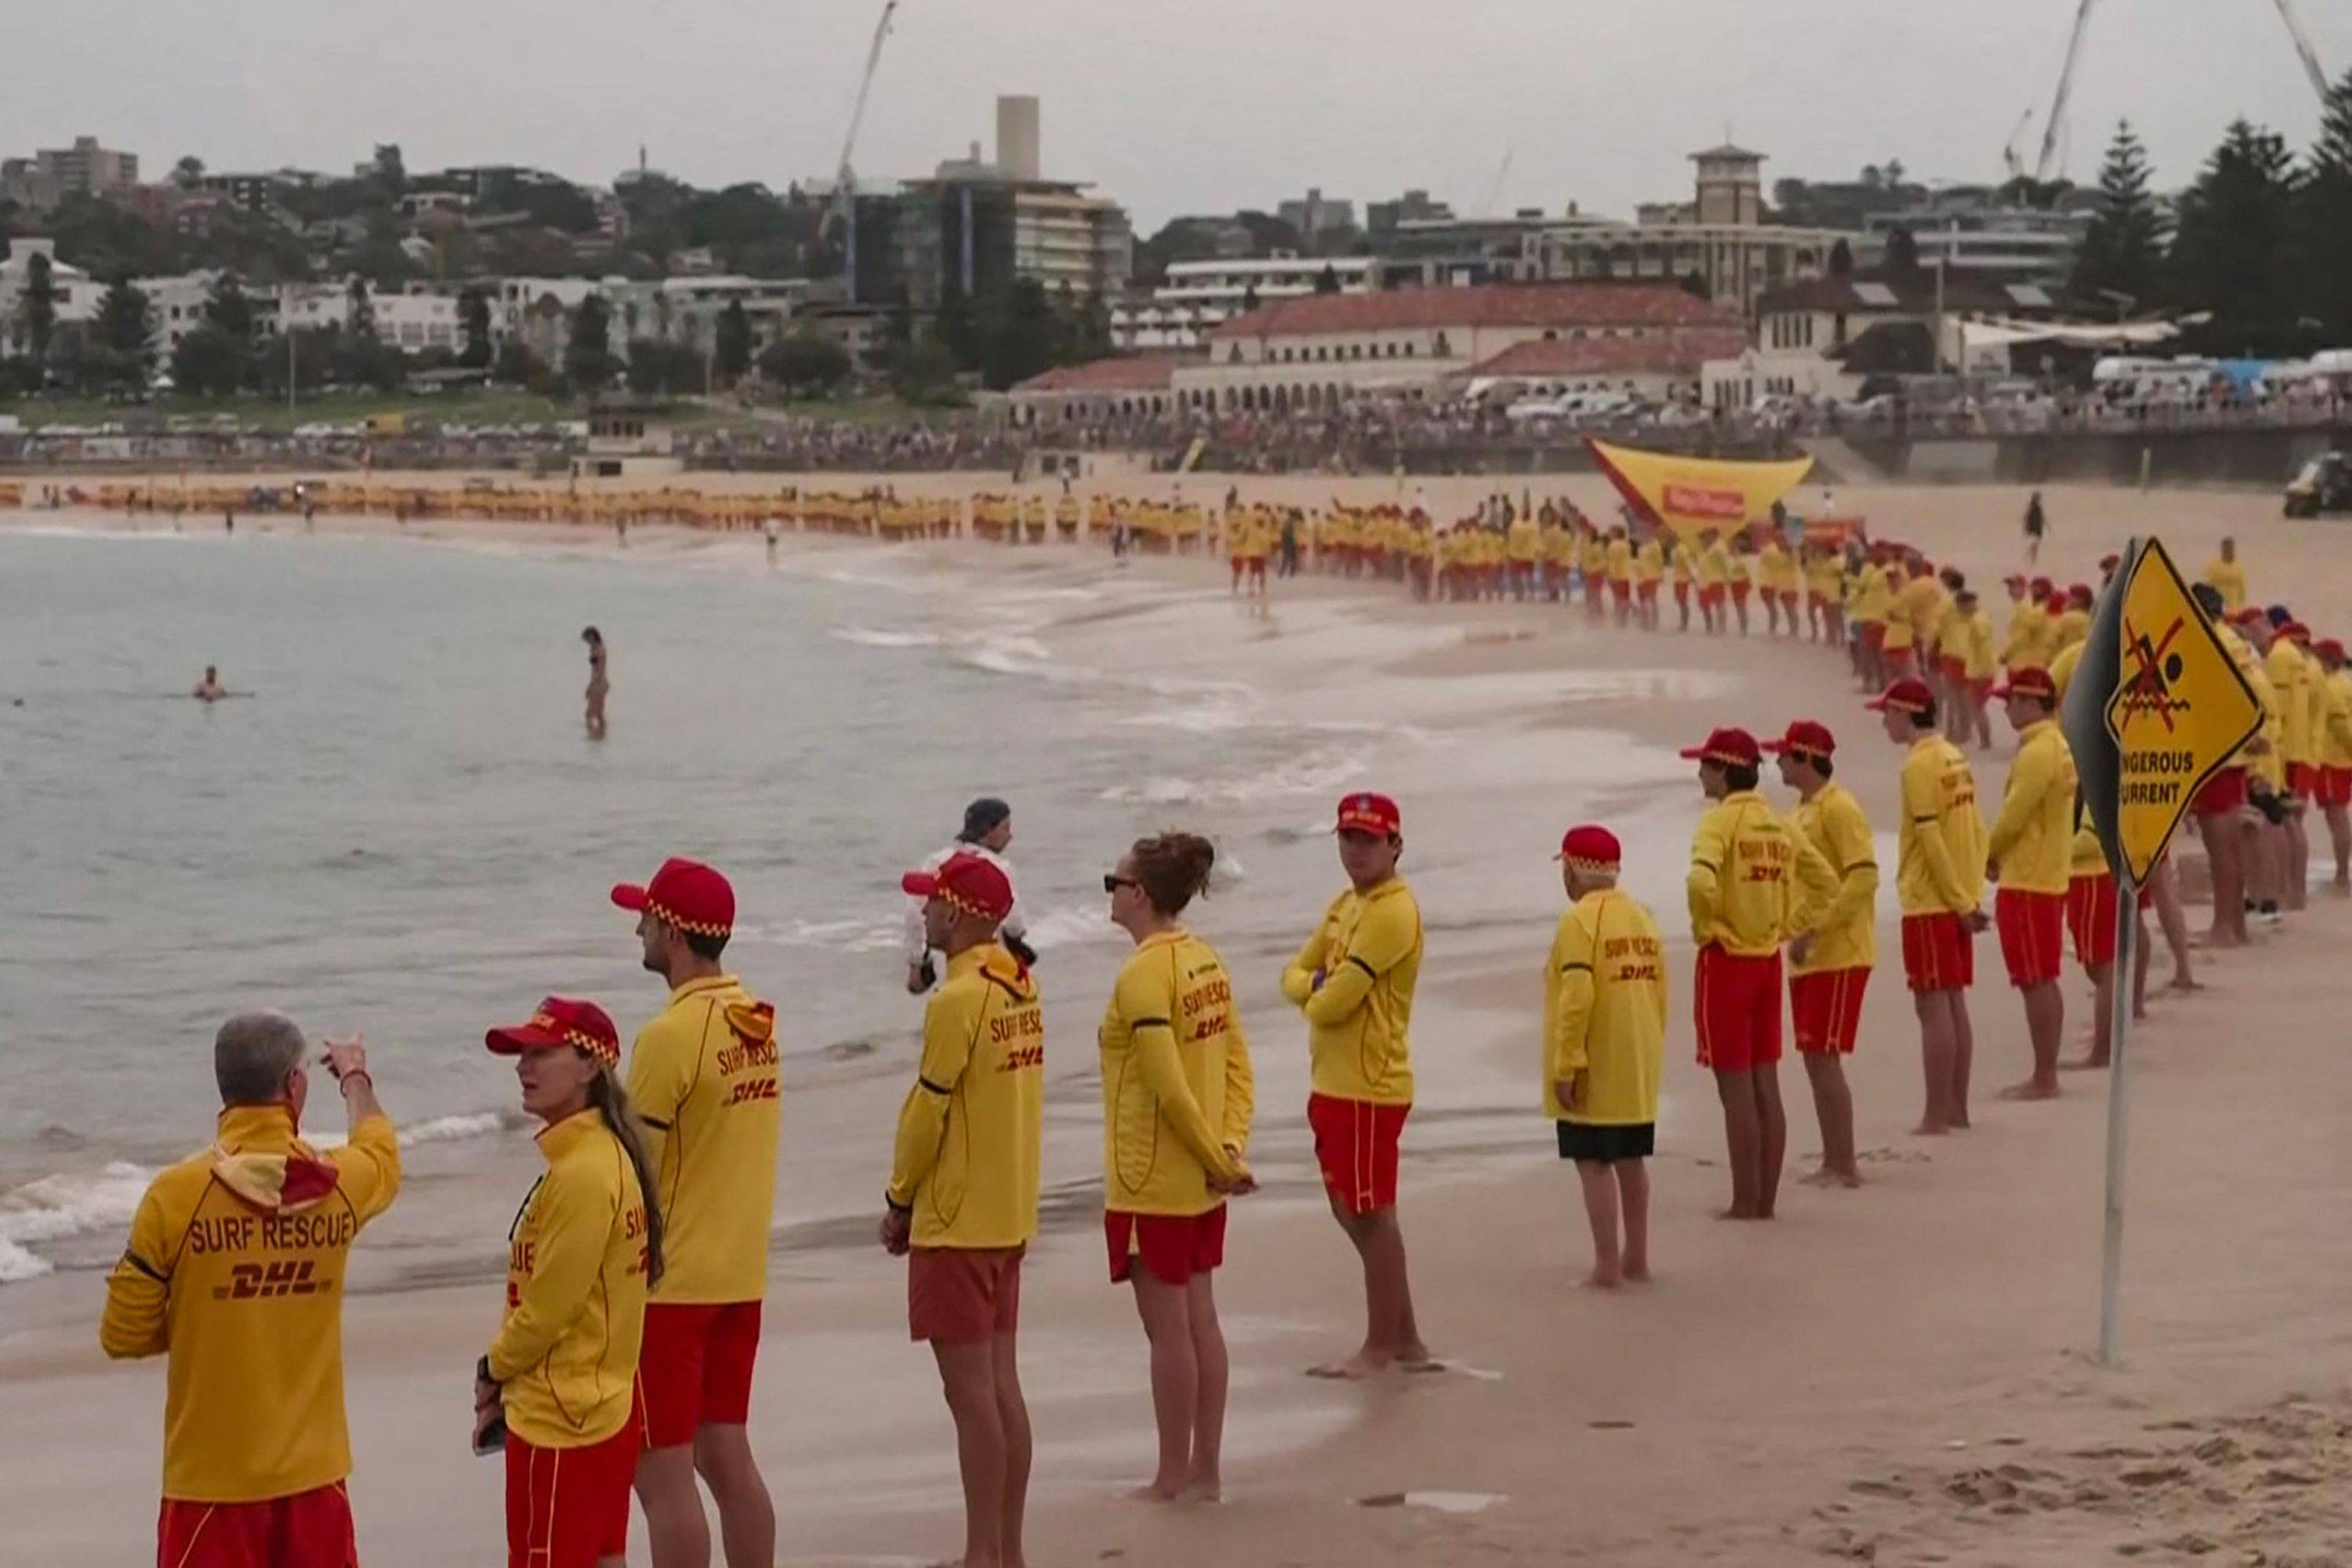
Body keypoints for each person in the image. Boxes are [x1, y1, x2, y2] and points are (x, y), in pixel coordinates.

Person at [101, 1013, 399, 1568]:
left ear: (224, 1086)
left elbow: (123, 1335)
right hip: (315, 1478)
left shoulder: (175, 1196)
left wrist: (211, 1313)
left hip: (212, 1485)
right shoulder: (338, 1186)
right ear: (294, 1084)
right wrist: (355, 1078)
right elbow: (382, 1154)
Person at [606, 858, 780, 1568]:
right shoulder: (755, 1021)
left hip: (672, 1289)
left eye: (646, 921)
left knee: (663, 1476)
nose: (639, 933)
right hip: (740, 1275)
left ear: (674, 935)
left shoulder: (670, 1035)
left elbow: (632, 1167)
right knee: (727, 1455)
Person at [883, 851, 1044, 1568]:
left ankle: (982, 1552)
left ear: (961, 913)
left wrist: (899, 1198)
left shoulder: (958, 1000)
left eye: (933, 902)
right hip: (1006, 1210)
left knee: (971, 1398)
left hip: (956, 1219)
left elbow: (928, 1113)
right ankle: (1006, 1550)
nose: (924, 912)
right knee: (1002, 1388)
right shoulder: (1019, 985)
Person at [1099, 833, 1257, 1501]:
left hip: (1153, 1178)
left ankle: (1172, 1475)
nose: (1110, 893)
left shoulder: (1142, 974)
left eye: (1114, 883)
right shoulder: (1204, 959)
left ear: (1140, 895)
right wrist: (1228, 1150)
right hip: (1201, 1177)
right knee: (1202, 1323)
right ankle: (1205, 1471)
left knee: (1169, 1334)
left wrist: (1217, 1158)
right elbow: (1237, 1065)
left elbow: (1167, 1087)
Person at [477, 997, 659, 1568]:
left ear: (589, 1066)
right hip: (602, 1405)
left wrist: (492, 1368)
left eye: (540, 1054)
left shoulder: (583, 1173)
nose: (522, 1068)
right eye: (521, 1055)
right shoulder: (606, 1154)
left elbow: (546, 1312)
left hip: (562, 1418)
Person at [1283, 791, 1430, 1377]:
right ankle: (1406, 1338)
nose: (1355, 850)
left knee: (1370, 1215)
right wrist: (1314, 985)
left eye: (1368, 840)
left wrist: (1315, 988)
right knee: (1351, 1210)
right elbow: (1294, 974)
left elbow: (1333, 1003)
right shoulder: (1345, 905)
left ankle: (1381, 1346)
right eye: (1347, 838)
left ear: (1395, 845)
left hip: (1370, 1084)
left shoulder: (1394, 911)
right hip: (1333, 1080)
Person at [1682, 727, 1833, 1218]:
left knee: (1735, 1091)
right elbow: (1826, 882)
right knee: (1766, 1084)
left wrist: (1707, 926)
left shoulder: (1718, 822)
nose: (1699, 774)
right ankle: (1764, 1201)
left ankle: (1744, 1201)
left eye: (1705, 765)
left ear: (1723, 772)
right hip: (1768, 961)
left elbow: (1700, 881)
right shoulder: (1777, 823)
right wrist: (1788, 925)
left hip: (1728, 962)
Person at [1544, 824, 1667, 1286]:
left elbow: (1577, 996)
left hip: (1595, 1062)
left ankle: (1607, 1266)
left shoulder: (1577, 921)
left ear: (1572, 871)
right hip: (1638, 1055)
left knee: (1593, 1162)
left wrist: (1567, 1065)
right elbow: (1659, 990)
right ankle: (1637, 1258)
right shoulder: (1642, 917)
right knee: (1631, 1158)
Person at [1870, 678, 1988, 1134]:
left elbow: (1931, 837)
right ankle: (1957, 1108)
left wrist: (1958, 901)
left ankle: (1937, 1113)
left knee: (1932, 1007)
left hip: (1931, 900)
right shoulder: (1955, 757)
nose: (1885, 723)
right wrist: (1971, 892)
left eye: (1888, 714)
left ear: (1905, 713)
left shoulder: (1917, 766)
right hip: (1957, 893)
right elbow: (1974, 827)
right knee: (1954, 1002)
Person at [1766, 720, 1878, 1189]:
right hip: (1809, 953)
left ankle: (1843, 1162)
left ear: (1807, 759)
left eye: (1785, 756)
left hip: (1839, 951)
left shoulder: (1839, 807)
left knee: (1824, 1056)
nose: (1777, 763)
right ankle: (1834, 1156)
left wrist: (1817, 929)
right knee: (1814, 1055)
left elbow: (1863, 875)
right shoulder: (1800, 812)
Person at [1982, 667, 2078, 1101]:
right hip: (2048, 873)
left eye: (2011, 702)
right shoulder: (2055, 744)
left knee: (2034, 979)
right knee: (2043, 977)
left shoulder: (2038, 751)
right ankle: (2046, 1071)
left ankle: (2045, 1075)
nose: (2006, 710)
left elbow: (2014, 816)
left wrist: (1988, 854)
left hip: (2029, 877)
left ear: (2031, 703)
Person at [908, 798, 1034, 993]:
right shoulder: (999, 868)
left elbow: (914, 914)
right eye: (1005, 828)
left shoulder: (935, 860)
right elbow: (1015, 925)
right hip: (989, 969)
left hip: (944, 967)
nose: (1010, 836)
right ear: (988, 829)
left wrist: (917, 961)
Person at [2316, 637, 2352, 891]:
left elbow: (2341, 726)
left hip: (2333, 759)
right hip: (2341, 759)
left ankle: (2342, 872)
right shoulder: (2344, 683)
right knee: (2338, 815)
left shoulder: (2330, 687)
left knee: (2336, 816)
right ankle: (2342, 870)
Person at [2202, 536, 2249, 615]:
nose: (2227, 550)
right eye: (2225, 548)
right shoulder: (2213, 566)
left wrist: (2243, 607)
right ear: (2222, 549)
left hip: (2234, 608)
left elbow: (2242, 588)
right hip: (2218, 606)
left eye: (2230, 548)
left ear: (2233, 549)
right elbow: (2208, 586)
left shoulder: (2238, 567)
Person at [582, 627, 608, 740]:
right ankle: (601, 735)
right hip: (600, 682)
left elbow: (599, 669)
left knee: (591, 713)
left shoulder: (599, 650)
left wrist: (592, 685)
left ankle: (594, 735)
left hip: (598, 683)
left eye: (588, 639)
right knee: (598, 713)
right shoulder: (595, 649)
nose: (587, 642)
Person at [2022, 491, 2046, 562]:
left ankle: (2032, 557)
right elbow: (2027, 518)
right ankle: (2031, 557)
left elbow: (2041, 517)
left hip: (2037, 527)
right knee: (2034, 543)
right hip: (2034, 528)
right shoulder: (2033, 507)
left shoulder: (2036, 507)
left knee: (2035, 543)